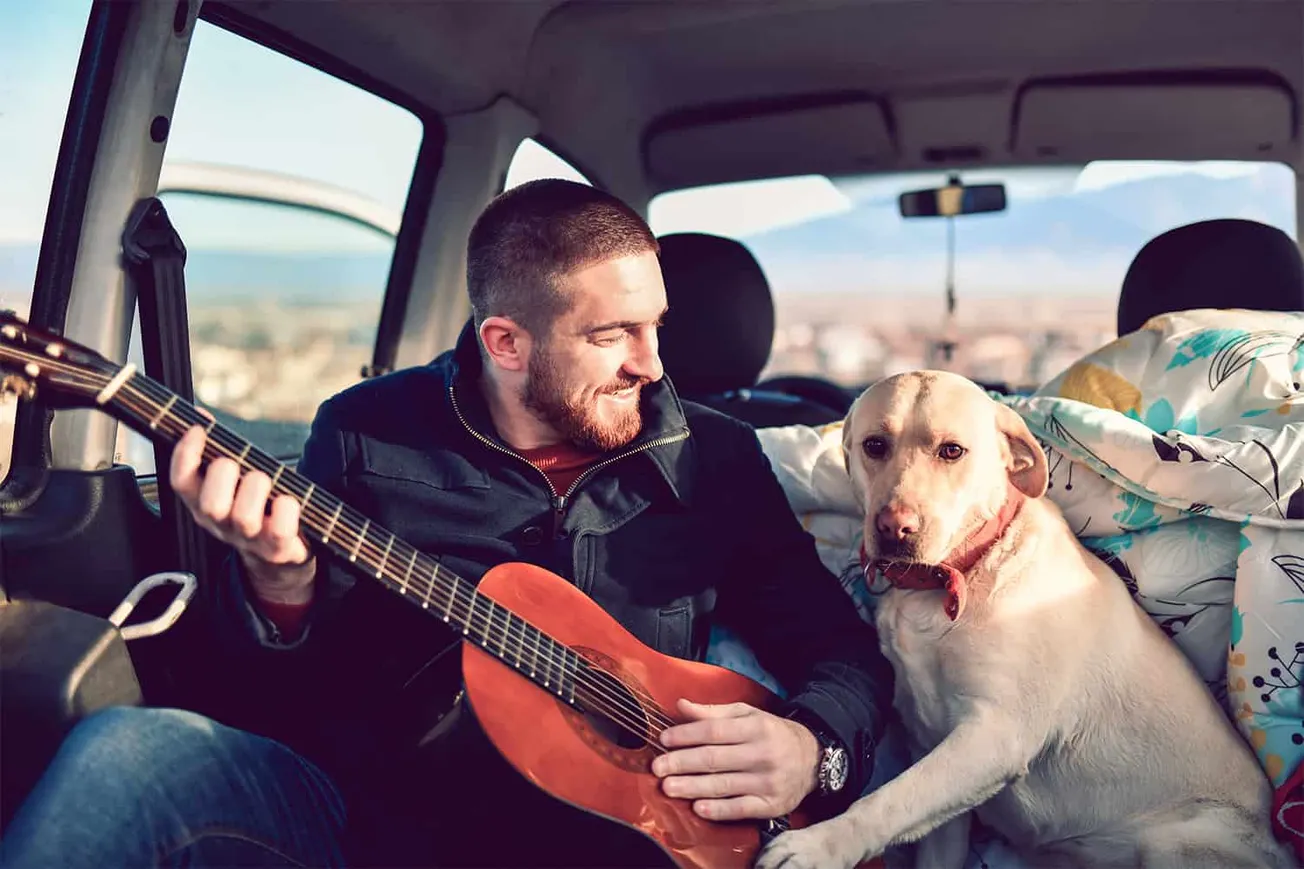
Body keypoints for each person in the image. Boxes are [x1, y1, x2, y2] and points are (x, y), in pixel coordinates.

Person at [0, 180, 893, 868]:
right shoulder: (363, 432)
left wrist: (811, 751)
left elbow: (845, 653)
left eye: (656, 325)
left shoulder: (718, 458)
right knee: (128, 752)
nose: (654, 365)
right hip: (386, 822)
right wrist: (281, 585)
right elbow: (284, 700)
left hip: (622, 839)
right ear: (507, 342)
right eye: (613, 334)